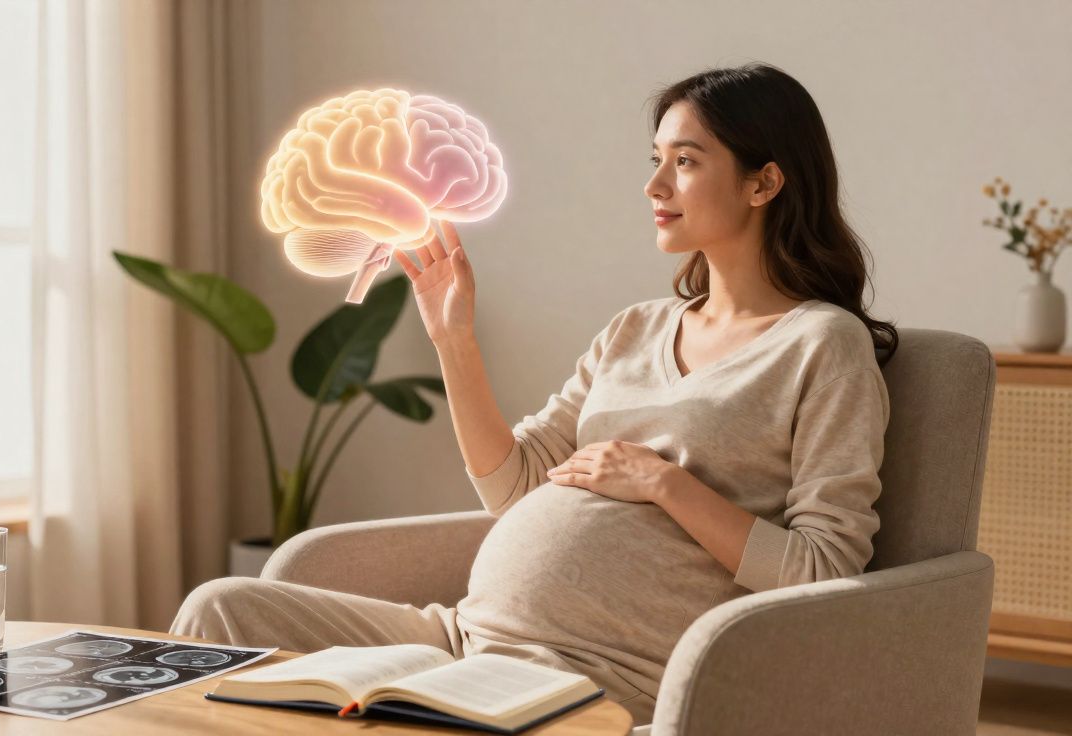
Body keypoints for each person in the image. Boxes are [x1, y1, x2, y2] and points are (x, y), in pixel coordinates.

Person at [170, 62, 896, 728]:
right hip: (459, 636)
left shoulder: (822, 345)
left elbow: (825, 571)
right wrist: (454, 340)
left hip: (595, 673)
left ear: (763, 183)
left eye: (685, 162)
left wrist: (663, 483)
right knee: (221, 610)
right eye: (655, 161)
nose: (654, 187)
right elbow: (514, 487)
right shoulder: (634, 329)